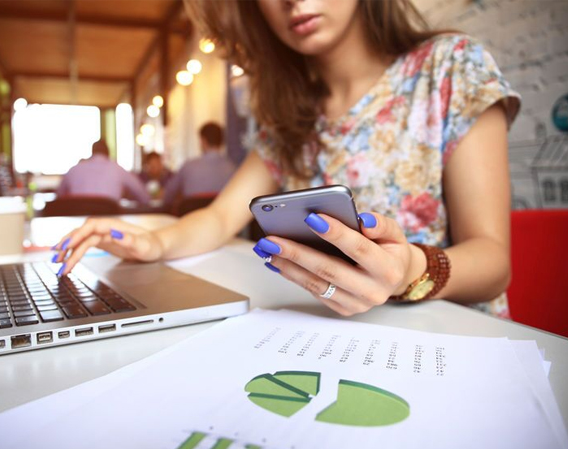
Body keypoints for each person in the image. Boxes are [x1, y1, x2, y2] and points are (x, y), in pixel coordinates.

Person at [52, 0, 520, 318]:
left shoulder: (453, 66)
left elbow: (494, 261)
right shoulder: (287, 116)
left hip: (454, 340)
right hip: (332, 341)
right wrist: (155, 243)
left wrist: (410, 271)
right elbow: (219, 218)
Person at [162, 122, 237, 207]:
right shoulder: (232, 169)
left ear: (203, 140)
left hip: (192, 218)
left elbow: (168, 196)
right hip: (224, 218)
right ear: (221, 141)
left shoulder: (188, 166)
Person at [56, 139, 150, 204]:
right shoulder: (118, 169)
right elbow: (144, 197)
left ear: (92, 152)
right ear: (108, 153)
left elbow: (59, 196)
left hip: (78, 226)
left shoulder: (74, 170)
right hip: (110, 226)